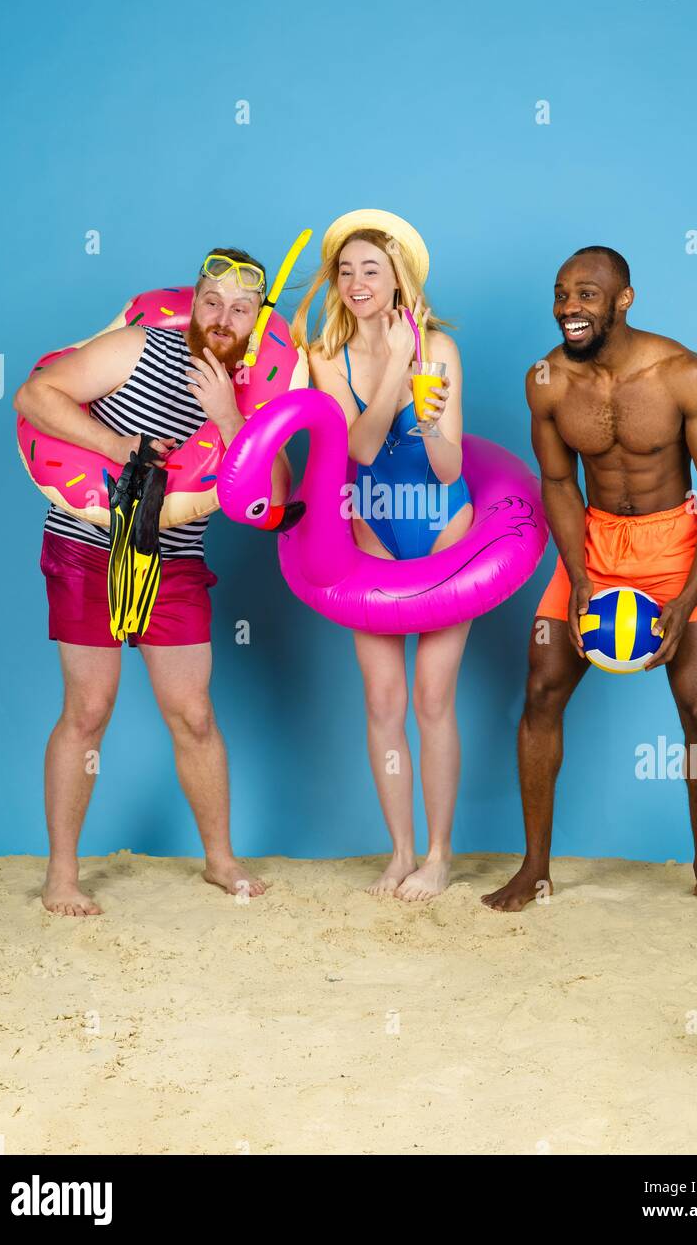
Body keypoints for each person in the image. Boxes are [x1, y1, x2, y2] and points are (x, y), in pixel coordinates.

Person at [13, 248, 292, 916]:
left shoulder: (258, 391)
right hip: (88, 546)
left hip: (175, 558)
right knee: (88, 710)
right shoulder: (139, 349)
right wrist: (124, 450)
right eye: (212, 302)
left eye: (240, 308)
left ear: (257, 321)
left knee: (194, 715)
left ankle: (220, 861)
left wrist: (230, 419)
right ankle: (61, 875)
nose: (222, 318)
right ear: (193, 302)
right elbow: (34, 395)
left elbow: (275, 503)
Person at [483, 245, 697, 918]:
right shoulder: (546, 381)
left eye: (586, 295)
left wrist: (687, 598)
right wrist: (577, 576)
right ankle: (535, 869)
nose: (568, 308)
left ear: (623, 300)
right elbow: (557, 480)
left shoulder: (684, 375)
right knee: (542, 688)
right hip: (594, 541)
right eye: (560, 293)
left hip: (676, 547)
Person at [292, 209, 473, 900]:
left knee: (432, 698)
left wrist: (429, 423)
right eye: (346, 270)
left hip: (444, 530)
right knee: (383, 700)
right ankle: (400, 851)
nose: (358, 281)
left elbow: (452, 470)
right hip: (370, 536)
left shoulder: (443, 351)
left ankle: (439, 853)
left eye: (373, 269)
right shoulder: (323, 357)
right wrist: (396, 361)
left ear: (400, 280)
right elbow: (359, 450)